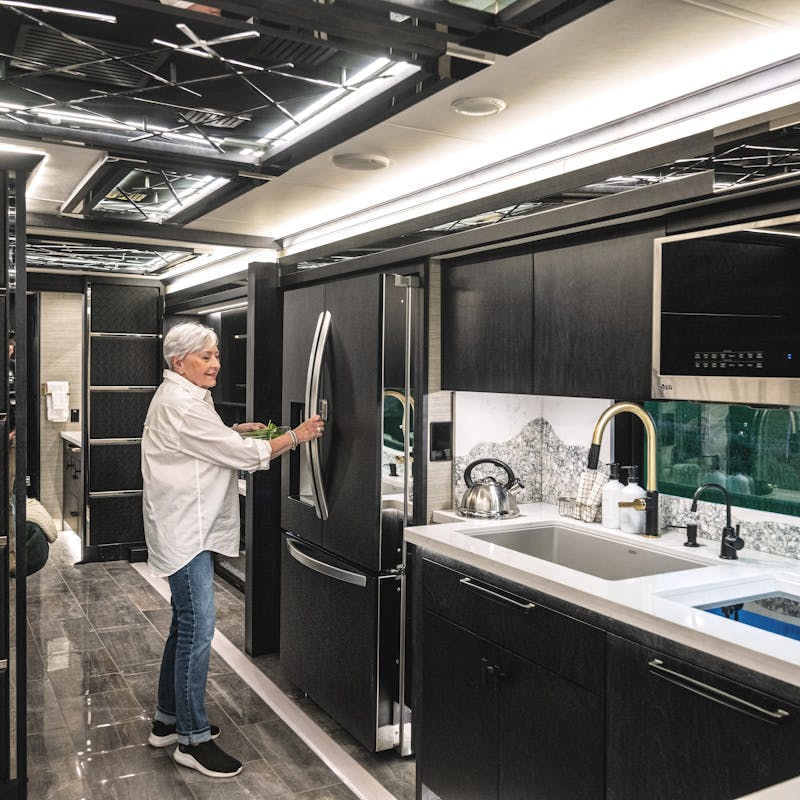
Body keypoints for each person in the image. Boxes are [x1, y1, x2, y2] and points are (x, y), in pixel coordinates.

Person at [141, 322, 324, 778]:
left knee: (185, 626)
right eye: (205, 357)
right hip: (185, 532)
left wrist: (234, 430)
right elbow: (243, 457)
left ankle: (167, 721)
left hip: (185, 527)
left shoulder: (186, 400)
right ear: (178, 361)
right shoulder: (183, 405)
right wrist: (297, 435)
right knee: (198, 630)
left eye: (217, 355)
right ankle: (192, 740)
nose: (216, 364)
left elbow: (212, 443)